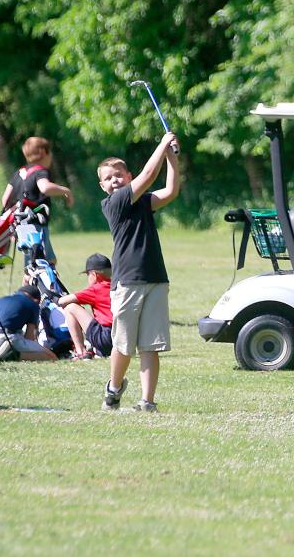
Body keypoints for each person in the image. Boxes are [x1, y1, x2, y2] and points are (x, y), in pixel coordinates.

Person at [97, 132, 181, 413]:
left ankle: (147, 401)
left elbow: (170, 191)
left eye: (118, 175)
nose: (114, 181)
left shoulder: (142, 201)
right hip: (128, 281)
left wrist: (171, 157)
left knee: (150, 345)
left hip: (155, 277)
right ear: (102, 186)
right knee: (123, 344)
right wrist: (162, 144)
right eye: (108, 178)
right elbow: (148, 174)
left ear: (127, 175)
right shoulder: (114, 203)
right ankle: (114, 387)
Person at [0, 136, 74, 267]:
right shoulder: (40, 171)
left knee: (33, 264)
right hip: (36, 225)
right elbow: (45, 188)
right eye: (49, 152)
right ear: (43, 152)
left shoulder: (20, 172)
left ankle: (29, 287)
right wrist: (66, 191)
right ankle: (42, 287)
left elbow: (5, 199)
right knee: (45, 263)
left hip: (20, 224)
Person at [57, 253, 113, 360]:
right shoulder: (116, 286)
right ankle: (96, 350)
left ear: (94, 274)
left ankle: (80, 352)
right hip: (122, 338)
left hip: (105, 338)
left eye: (88, 274)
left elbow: (62, 301)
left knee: (70, 307)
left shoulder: (96, 289)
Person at [0, 285, 56, 361]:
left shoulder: (1, 299)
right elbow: (29, 338)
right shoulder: (33, 304)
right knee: (51, 356)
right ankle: (11, 356)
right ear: (36, 300)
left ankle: (1, 352)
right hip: (4, 339)